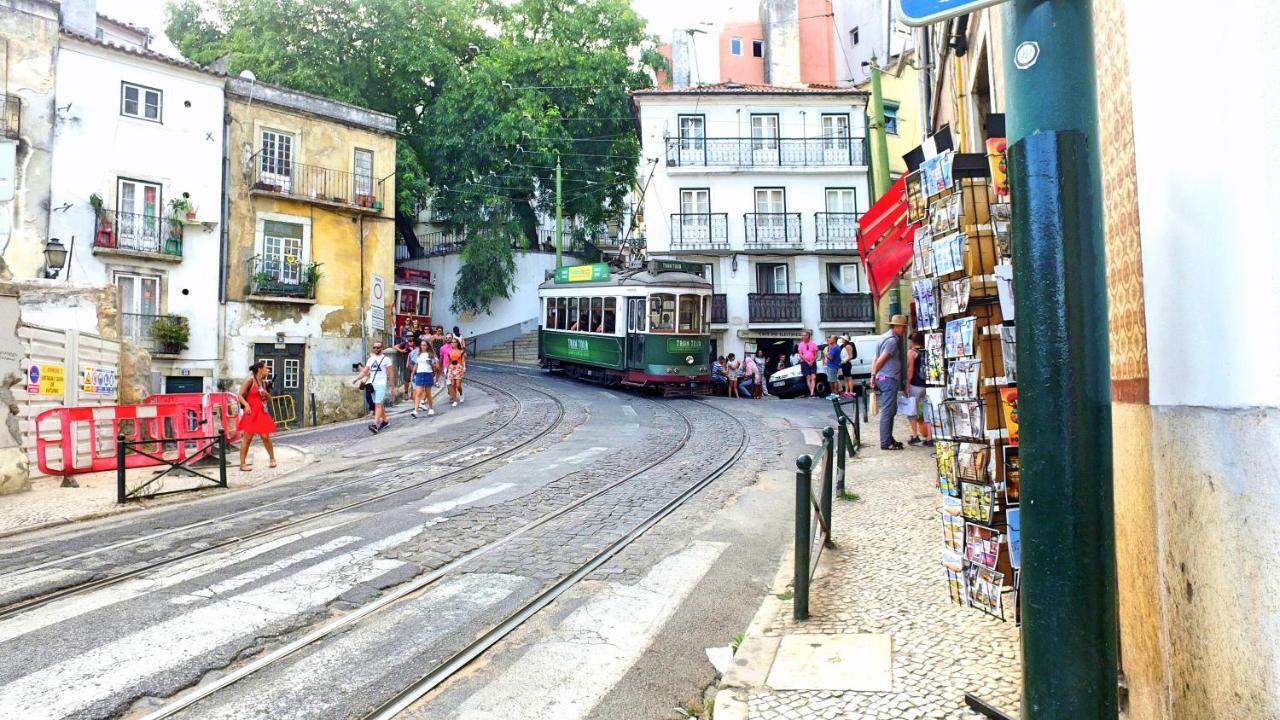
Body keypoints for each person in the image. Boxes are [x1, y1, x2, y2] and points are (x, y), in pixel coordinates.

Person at [871, 314, 909, 450]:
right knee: (888, 410)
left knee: (890, 409)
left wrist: (873, 376)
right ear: (897, 327)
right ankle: (886, 442)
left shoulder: (883, 337)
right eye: (903, 328)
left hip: (883, 377)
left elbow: (875, 358)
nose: (904, 331)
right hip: (889, 378)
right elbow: (881, 360)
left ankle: (888, 438)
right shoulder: (892, 341)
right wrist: (874, 374)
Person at [236, 361, 278, 471]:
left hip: (262, 412)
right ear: (259, 369)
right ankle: (242, 464)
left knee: (265, 437)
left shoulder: (265, 383)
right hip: (251, 412)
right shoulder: (250, 380)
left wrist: (266, 394)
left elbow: (269, 399)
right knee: (248, 438)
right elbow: (240, 395)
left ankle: (272, 458)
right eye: (266, 368)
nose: (268, 370)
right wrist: (246, 405)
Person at [355, 340, 394, 433]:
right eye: (374, 347)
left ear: (382, 348)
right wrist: (357, 378)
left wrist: (393, 386)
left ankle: (375, 425)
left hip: (381, 384)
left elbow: (391, 373)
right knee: (379, 404)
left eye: (378, 347)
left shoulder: (386, 359)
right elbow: (365, 371)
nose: (376, 349)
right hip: (371, 384)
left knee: (377, 404)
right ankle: (385, 421)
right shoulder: (371, 359)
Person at [906, 331, 934, 446]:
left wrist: (907, 384)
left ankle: (915, 435)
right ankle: (929, 438)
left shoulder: (911, 352)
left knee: (911, 410)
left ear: (912, 341)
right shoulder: (928, 350)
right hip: (928, 385)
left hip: (916, 385)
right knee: (928, 410)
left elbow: (911, 370)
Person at [410, 337, 438, 418]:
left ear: (427, 346)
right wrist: (413, 373)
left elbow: (435, 366)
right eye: (422, 345)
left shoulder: (431, 355)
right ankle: (415, 411)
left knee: (428, 393)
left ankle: (431, 408)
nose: (423, 346)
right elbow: (416, 364)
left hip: (428, 374)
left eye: (424, 345)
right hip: (419, 374)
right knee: (418, 393)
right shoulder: (418, 354)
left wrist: (431, 363)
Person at [796, 331, 819, 398]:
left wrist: (812, 361)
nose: (802, 336)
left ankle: (812, 393)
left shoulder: (814, 344)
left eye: (804, 335)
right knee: (808, 377)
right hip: (804, 362)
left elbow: (816, 354)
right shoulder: (800, 344)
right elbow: (800, 354)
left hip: (813, 362)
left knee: (813, 377)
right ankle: (812, 393)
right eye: (802, 335)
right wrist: (807, 361)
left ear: (808, 336)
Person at [446, 336, 466, 407]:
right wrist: (448, 370)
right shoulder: (449, 352)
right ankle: (455, 400)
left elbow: (463, 360)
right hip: (452, 369)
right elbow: (449, 362)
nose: (453, 343)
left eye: (454, 342)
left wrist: (464, 368)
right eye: (452, 342)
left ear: (457, 343)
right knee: (453, 385)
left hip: (459, 368)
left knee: (458, 385)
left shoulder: (461, 352)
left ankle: (461, 394)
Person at [823, 335, 842, 400]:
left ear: (834, 340)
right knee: (831, 380)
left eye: (830, 339)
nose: (829, 340)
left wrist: (825, 353)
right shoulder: (833, 347)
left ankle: (836, 395)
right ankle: (833, 394)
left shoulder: (835, 347)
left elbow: (830, 357)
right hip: (831, 365)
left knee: (834, 380)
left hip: (833, 366)